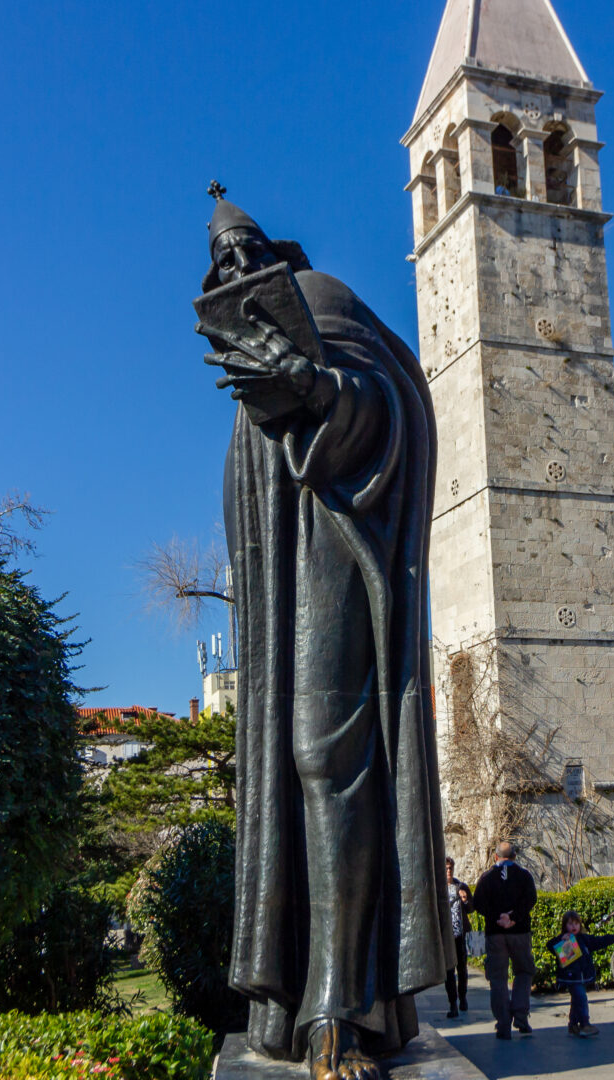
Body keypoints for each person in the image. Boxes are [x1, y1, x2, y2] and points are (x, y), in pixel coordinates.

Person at [203, 190, 449, 1080]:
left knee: (326, 758)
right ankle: (296, 1008)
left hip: (341, 545)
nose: (239, 269)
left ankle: (339, 1010)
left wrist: (312, 387)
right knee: (290, 773)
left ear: (278, 253)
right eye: (223, 265)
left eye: (247, 253)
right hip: (281, 586)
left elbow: (387, 406)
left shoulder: (323, 297)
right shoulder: (245, 337)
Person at [472, 842, 538, 1039]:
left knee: (498, 978)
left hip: (495, 934)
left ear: (495, 857)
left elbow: (478, 903)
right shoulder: (524, 875)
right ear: (515, 856)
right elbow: (531, 899)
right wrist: (513, 918)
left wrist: (497, 918)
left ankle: (503, 1024)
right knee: (524, 971)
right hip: (520, 932)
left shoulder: (486, 877)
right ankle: (520, 1015)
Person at [550, 910, 614, 1038]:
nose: (574, 926)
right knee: (581, 998)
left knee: (577, 1000)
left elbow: (598, 941)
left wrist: (613, 937)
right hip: (571, 977)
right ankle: (585, 1024)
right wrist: (560, 939)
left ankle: (573, 1024)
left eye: (576, 923)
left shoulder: (584, 939)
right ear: (565, 926)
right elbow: (550, 945)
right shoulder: (564, 939)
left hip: (581, 976)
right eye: (570, 924)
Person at [443, 858, 472, 1018]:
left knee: (462, 969)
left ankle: (463, 997)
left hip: (461, 934)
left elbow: (471, 908)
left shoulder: (461, 886)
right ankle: (452, 1003)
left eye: (451, 868)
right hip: (446, 936)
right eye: (446, 868)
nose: (449, 871)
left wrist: (465, 900)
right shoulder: (438, 888)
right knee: (449, 971)